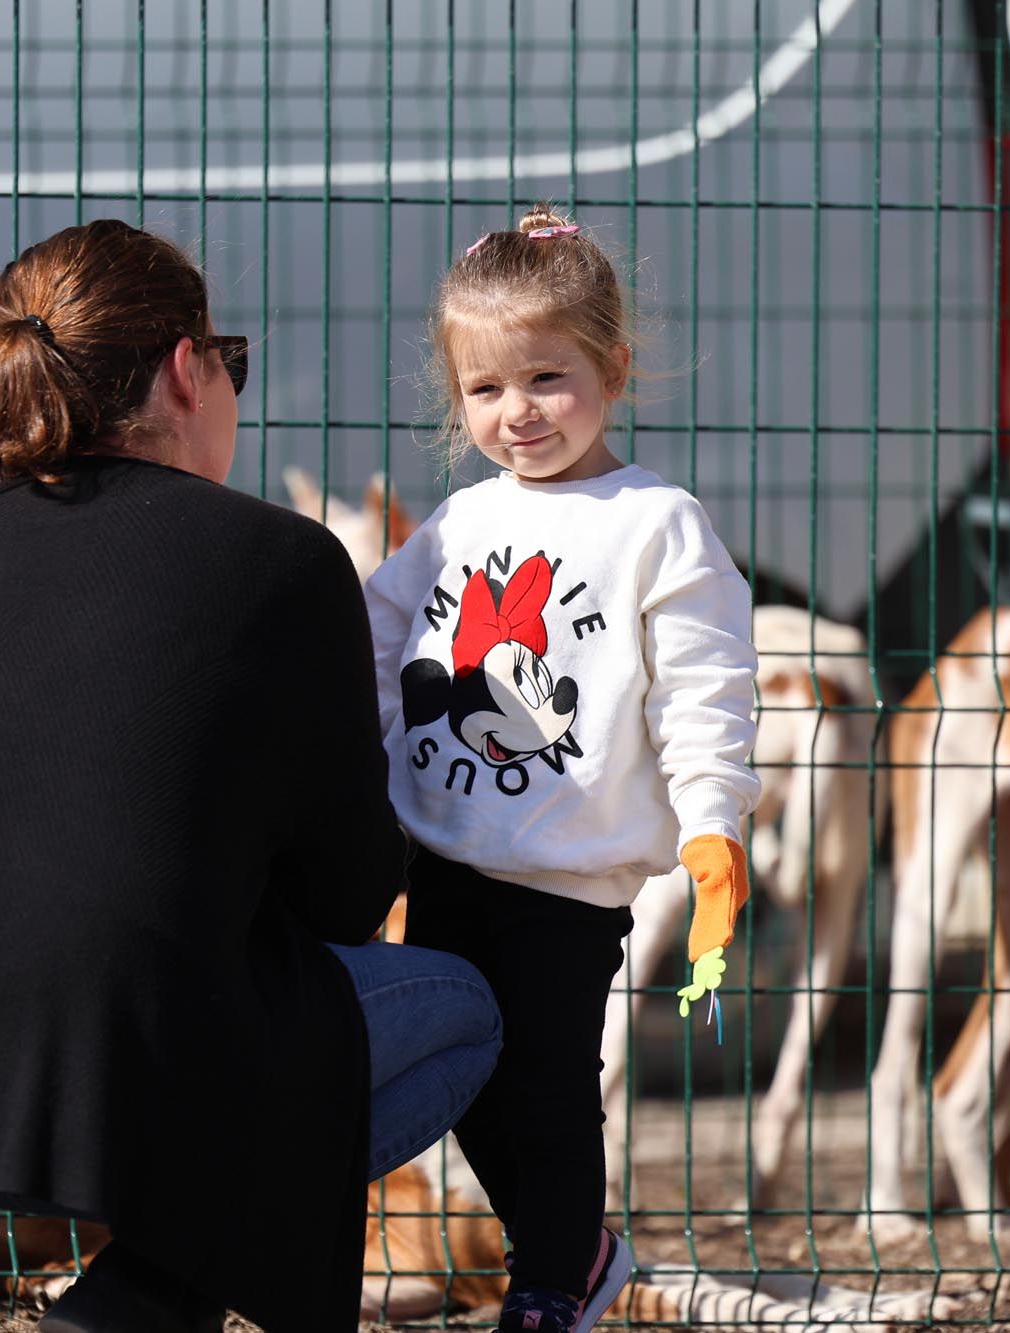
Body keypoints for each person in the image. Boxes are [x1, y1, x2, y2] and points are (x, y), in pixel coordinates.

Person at [0, 218, 503, 1333]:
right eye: (234, 363)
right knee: (455, 1009)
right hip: (95, 1026)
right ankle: (137, 1300)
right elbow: (346, 897)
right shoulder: (283, 559)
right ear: (184, 367)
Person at [364, 207, 762, 1333]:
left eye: (545, 377)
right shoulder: (453, 518)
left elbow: (704, 687)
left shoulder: (654, 523)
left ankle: (547, 1284)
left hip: (566, 877)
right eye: (483, 389)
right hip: (438, 853)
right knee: (456, 1079)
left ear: (613, 368)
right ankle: (574, 1254)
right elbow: (373, 631)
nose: (515, 412)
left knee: (544, 1087)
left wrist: (711, 820)